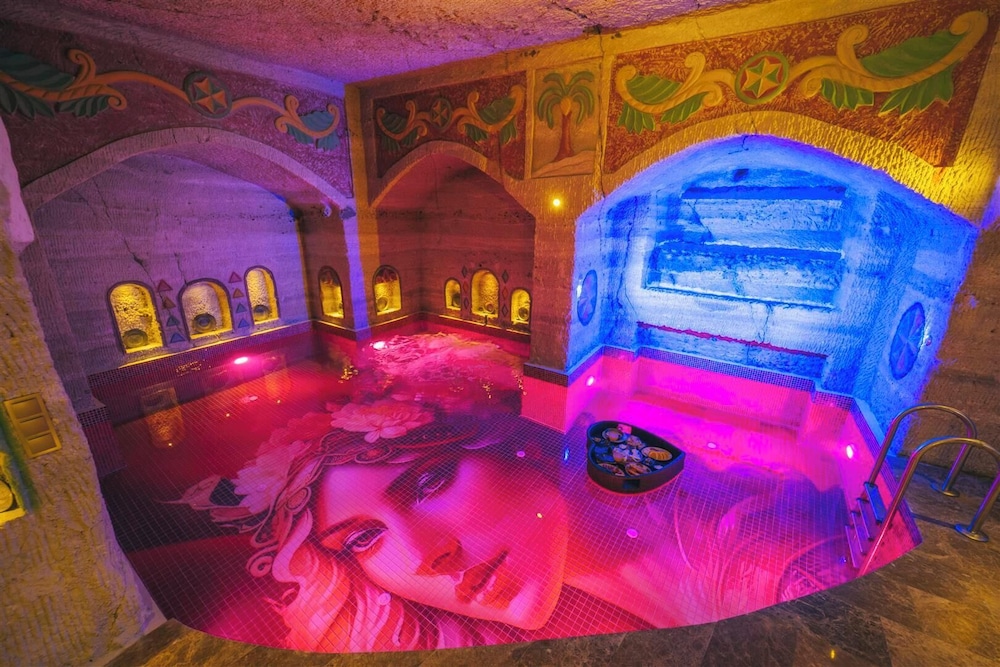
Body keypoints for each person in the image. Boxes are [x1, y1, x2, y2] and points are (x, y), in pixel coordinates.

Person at [175, 332, 849, 652]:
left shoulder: (755, 552)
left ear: (502, 444)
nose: (426, 555)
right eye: (363, 539)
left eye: (430, 481)